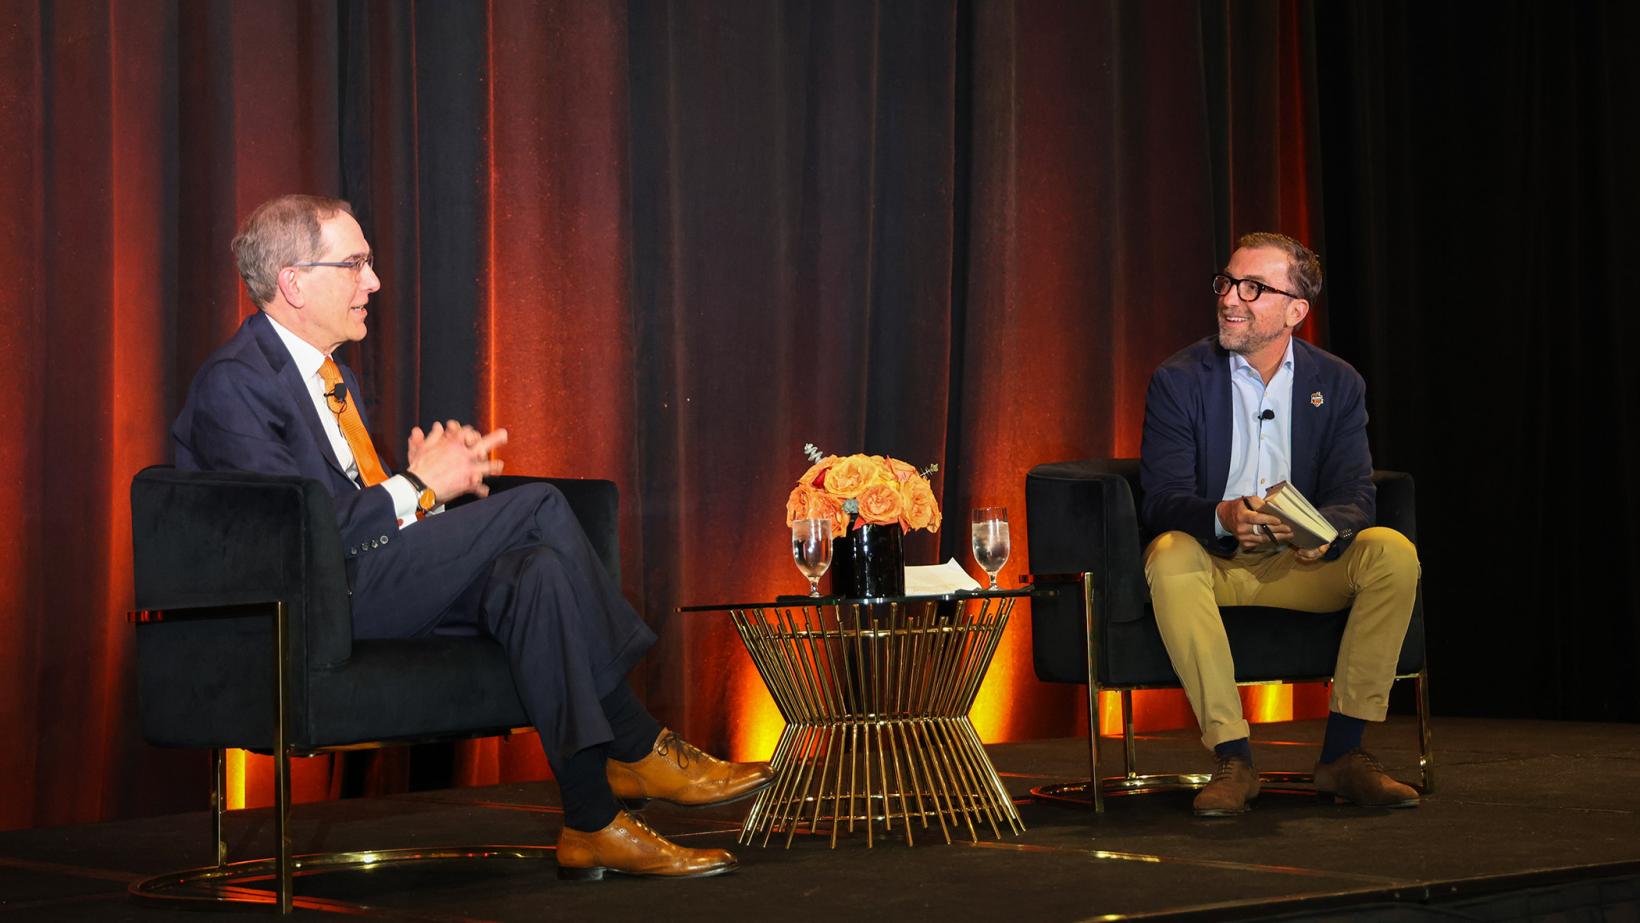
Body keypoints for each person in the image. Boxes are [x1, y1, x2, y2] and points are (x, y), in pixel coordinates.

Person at [172, 194, 771, 878]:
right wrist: (417, 486)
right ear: (294, 282)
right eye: (356, 263)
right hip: (310, 606)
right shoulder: (236, 385)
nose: (373, 281)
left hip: (363, 578)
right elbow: (298, 541)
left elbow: (349, 515)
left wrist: (419, 493)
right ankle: (636, 740)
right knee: (538, 505)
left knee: (536, 572)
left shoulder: (335, 380)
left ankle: (592, 822)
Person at [1139, 231, 1422, 817]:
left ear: (1296, 310)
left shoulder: (1337, 382)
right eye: (1227, 283)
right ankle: (1234, 759)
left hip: (1299, 563)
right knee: (1167, 552)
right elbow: (1162, 499)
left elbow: (1354, 495)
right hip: (1213, 562)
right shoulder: (1179, 379)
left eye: (1253, 288)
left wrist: (1320, 532)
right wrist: (1221, 516)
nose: (1230, 299)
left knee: (1390, 550)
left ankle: (1344, 756)